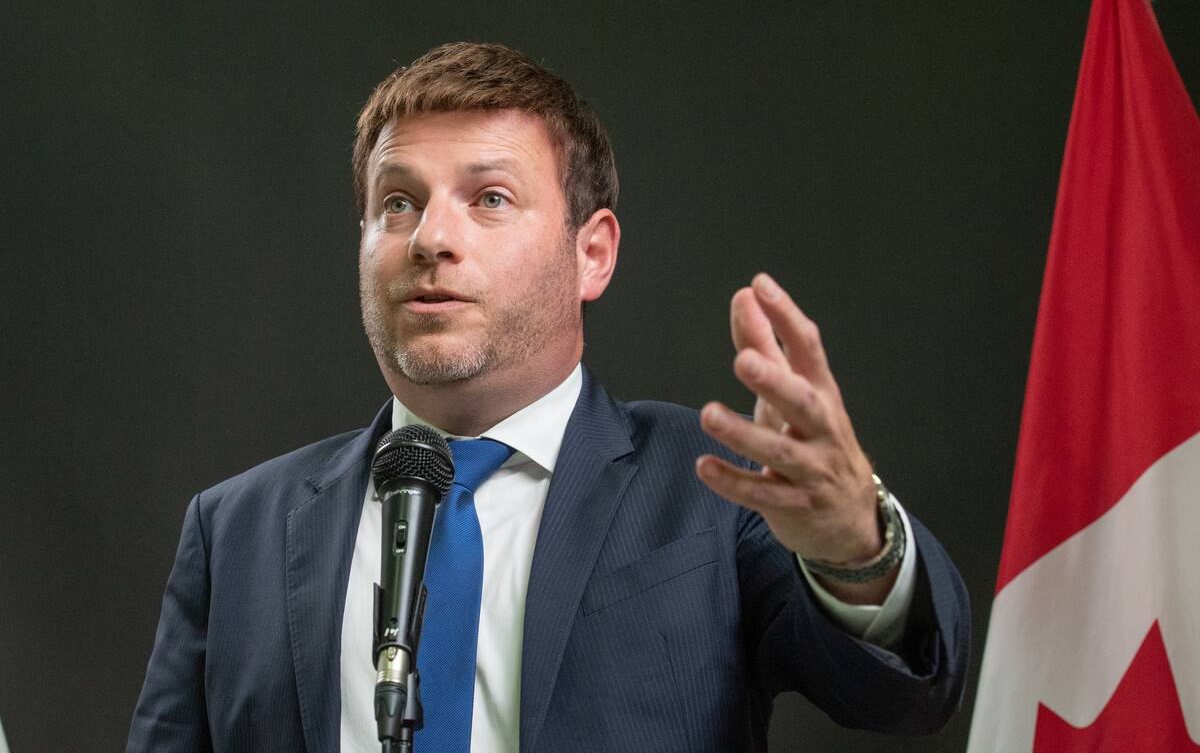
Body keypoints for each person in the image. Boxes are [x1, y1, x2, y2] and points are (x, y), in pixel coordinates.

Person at [127, 42, 969, 753]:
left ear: (591, 254)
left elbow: (906, 697)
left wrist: (856, 552)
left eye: (490, 198)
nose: (430, 238)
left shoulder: (715, 489)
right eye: (398, 202)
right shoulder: (235, 530)